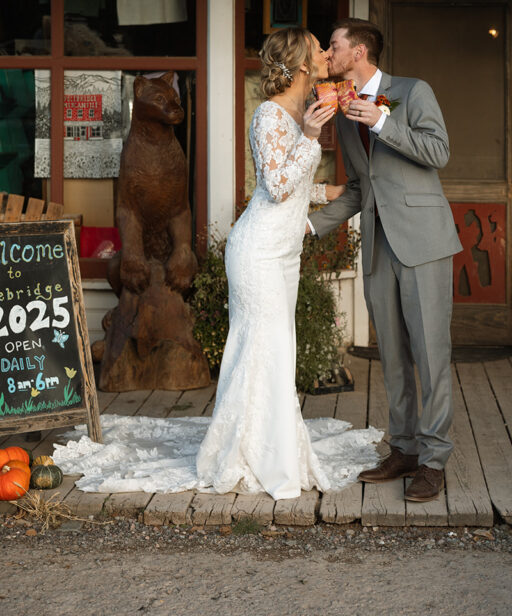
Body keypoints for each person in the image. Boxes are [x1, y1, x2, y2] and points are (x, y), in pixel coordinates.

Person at [54, 26, 382, 500]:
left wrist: (326, 191)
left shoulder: (296, 112)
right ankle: (252, 455)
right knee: (263, 351)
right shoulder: (271, 114)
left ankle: (270, 446)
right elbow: (276, 187)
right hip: (259, 254)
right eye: (318, 48)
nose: (326, 54)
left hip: (283, 251)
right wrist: (311, 138)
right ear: (303, 64)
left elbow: (286, 183)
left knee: (273, 352)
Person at [308, 18, 462, 503]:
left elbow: (439, 152)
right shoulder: (339, 112)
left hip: (424, 244)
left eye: (332, 46)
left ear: (358, 52)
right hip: (377, 246)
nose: (327, 54)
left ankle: (434, 462)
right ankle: (404, 450)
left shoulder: (412, 92)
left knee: (431, 356)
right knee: (393, 357)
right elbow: (358, 187)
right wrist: (311, 226)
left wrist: (382, 123)